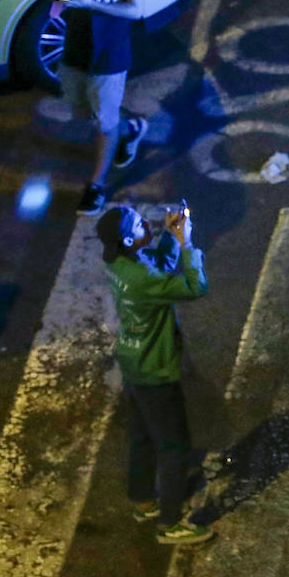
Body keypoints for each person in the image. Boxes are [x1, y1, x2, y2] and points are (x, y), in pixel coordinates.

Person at [96, 202, 212, 545]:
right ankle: (170, 523)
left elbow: (156, 267)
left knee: (142, 434)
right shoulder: (142, 276)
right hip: (156, 369)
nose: (147, 222)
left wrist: (170, 236)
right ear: (129, 241)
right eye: (139, 224)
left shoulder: (119, 262)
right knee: (174, 447)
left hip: (134, 361)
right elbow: (194, 287)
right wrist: (187, 244)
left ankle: (143, 498)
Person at [48, 0, 148, 216]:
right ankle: (132, 129)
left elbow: (136, 10)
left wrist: (92, 4)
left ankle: (97, 185)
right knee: (83, 113)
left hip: (109, 53)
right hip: (76, 45)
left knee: (104, 120)